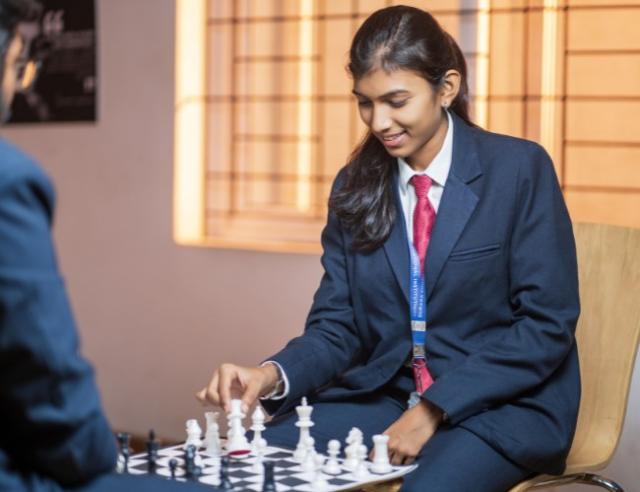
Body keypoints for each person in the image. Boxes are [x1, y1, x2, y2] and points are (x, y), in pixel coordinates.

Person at [198, 5, 581, 492]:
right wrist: (271, 375)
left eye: (396, 101)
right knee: (249, 468)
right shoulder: (355, 186)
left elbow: (545, 325)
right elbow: (338, 327)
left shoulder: (518, 169)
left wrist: (434, 408)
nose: (379, 122)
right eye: (365, 103)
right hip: (385, 394)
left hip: (497, 405)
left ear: (447, 87)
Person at [0, 1, 213, 490]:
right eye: (16, 64)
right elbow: (47, 384)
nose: (21, 85)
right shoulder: (9, 182)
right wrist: (103, 454)